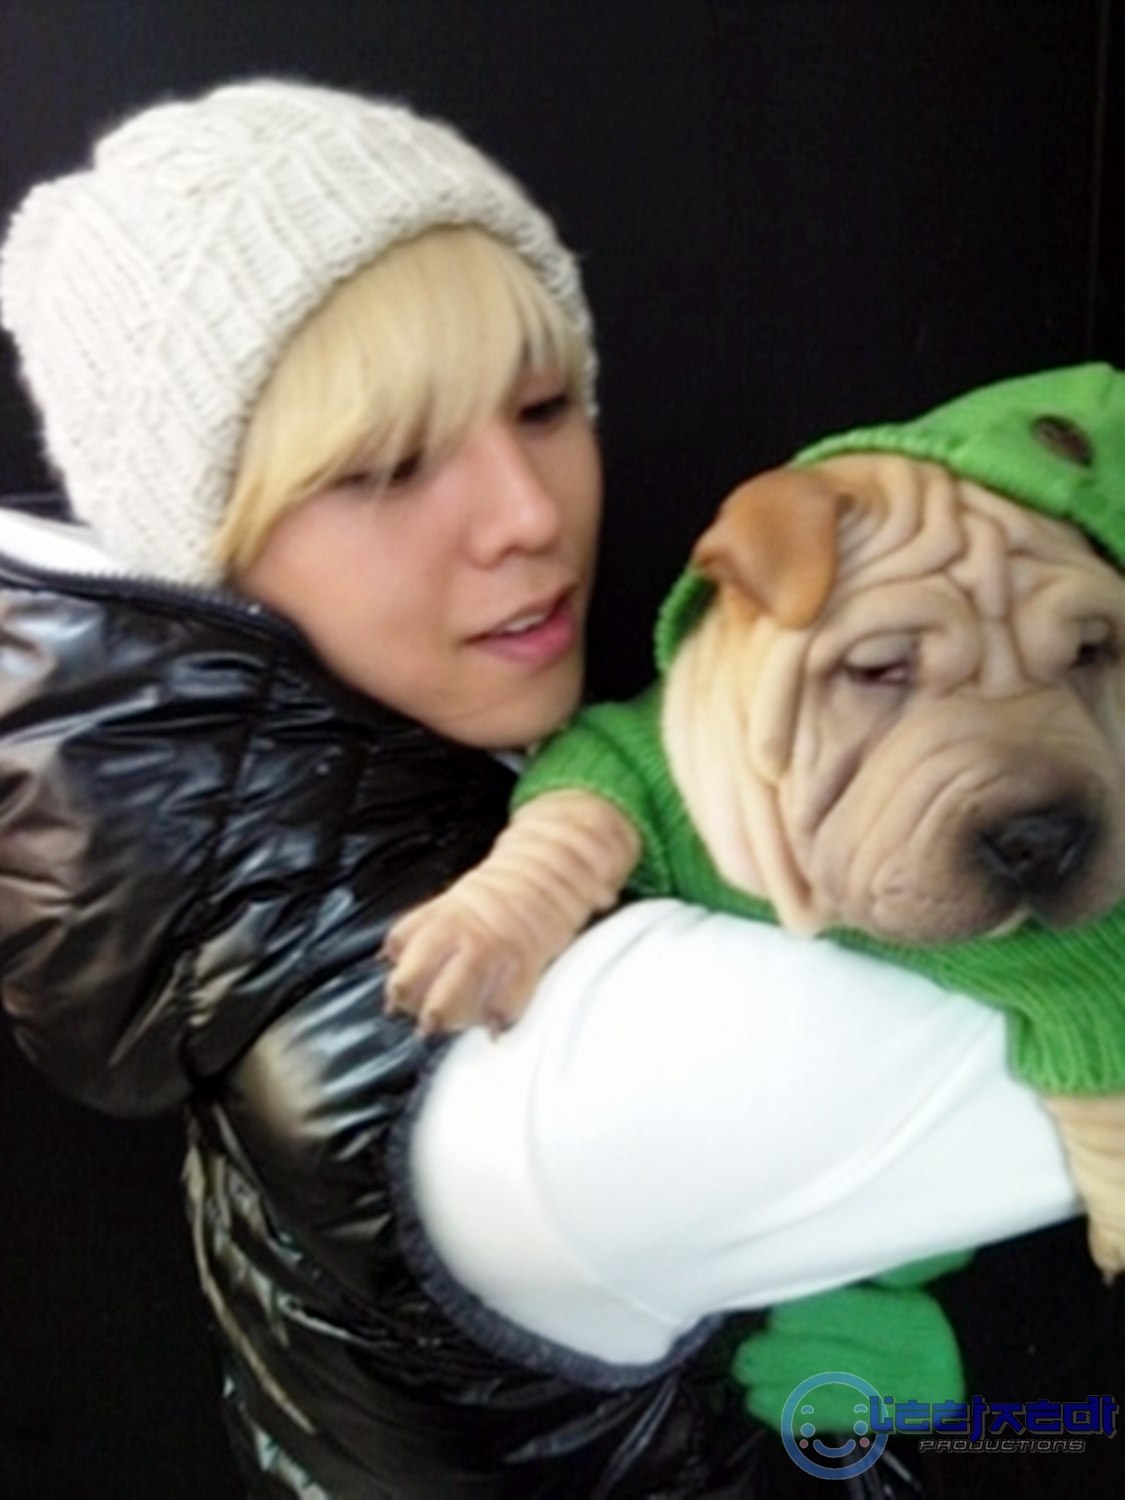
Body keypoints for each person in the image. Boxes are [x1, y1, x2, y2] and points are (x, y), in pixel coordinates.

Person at [0, 79, 1094, 1496]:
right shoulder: (531, 1065)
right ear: (207, 544)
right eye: (387, 466)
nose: (529, 514)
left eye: (543, 405)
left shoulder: (345, 830)